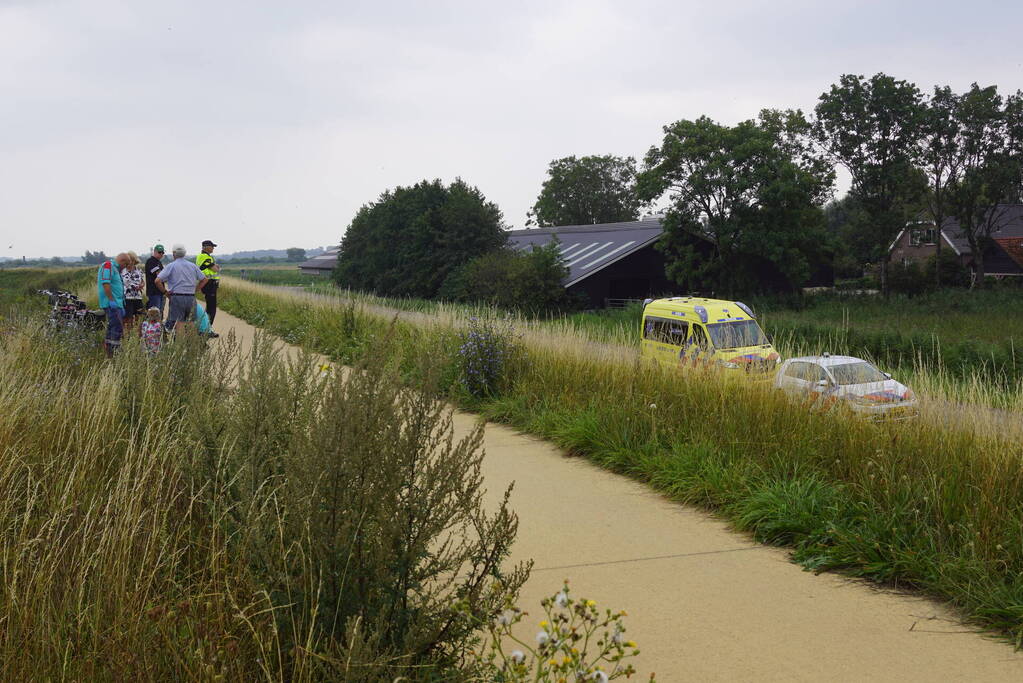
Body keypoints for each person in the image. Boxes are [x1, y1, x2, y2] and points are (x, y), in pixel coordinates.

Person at [155, 244, 208, 332]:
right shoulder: (192, 266)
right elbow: (204, 279)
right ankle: (192, 344)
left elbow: (157, 281)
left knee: (179, 323)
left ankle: (180, 344)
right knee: (191, 322)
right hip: (191, 297)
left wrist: (165, 292)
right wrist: (195, 290)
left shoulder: (171, 266)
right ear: (184, 254)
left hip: (177, 297)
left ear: (174, 254)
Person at [97, 252, 130, 357]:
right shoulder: (108, 266)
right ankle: (114, 351)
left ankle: (109, 351)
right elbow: (105, 283)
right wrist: (111, 300)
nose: (124, 268)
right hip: (112, 304)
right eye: (125, 265)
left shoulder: (115, 268)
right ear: (122, 261)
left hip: (118, 304)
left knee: (113, 327)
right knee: (117, 328)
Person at [195, 239, 220, 330]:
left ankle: (205, 327)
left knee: (210, 307)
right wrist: (216, 267)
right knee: (211, 308)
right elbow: (215, 269)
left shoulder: (203, 256)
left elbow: (215, 267)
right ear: (206, 247)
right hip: (209, 283)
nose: (213, 248)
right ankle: (207, 329)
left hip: (207, 283)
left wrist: (215, 266)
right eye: (212, 246)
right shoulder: (205, 257)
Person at [121, 251, 144, 333]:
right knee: (128, 319)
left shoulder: (139, 271)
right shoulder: (122, 271)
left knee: (139, 318)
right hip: (127, 297)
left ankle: (138, 337)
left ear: (134, 260)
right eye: (128, 260)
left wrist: (141, 285)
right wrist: (134, 287)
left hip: (138, 297)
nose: (129, 262)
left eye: (131, 260)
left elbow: (142, 282)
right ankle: (129, 337)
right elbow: (123, 283)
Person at [144, 244, 166, 317]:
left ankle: (158, 327)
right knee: (154, 313)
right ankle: (152, 327)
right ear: (155, 252)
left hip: (159, 292)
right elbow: (159, 274)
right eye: (159, 252)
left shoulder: (159, 262)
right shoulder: (151, 261)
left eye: (162, 252)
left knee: (160, 313)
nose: (161, 254)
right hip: (154, 292)